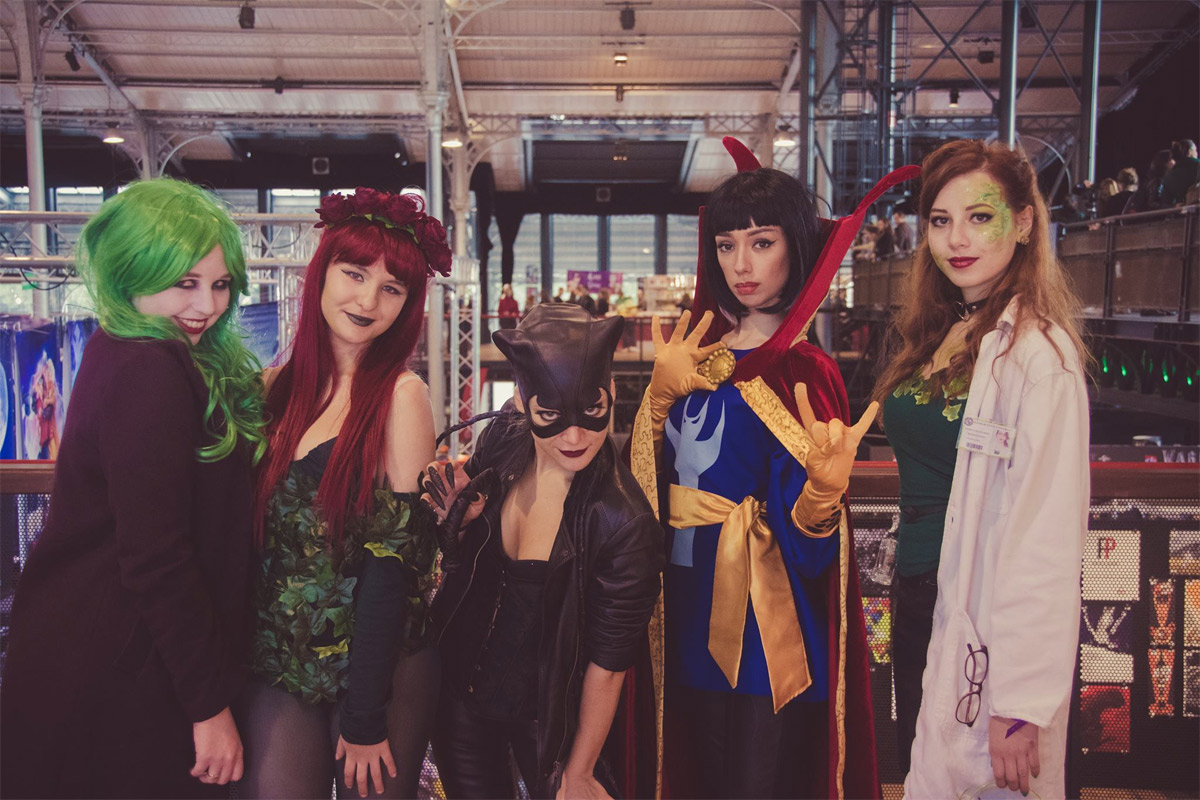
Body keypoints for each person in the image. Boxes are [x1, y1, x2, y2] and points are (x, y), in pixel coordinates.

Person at [628, 137, 906, 800]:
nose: (741, 264)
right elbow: (641, 491)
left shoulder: (805, 370)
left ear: (796, 247)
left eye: (761, 242)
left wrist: (822, 495)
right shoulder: (696, 352)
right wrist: (655, 403)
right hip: (681, 607)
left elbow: (812, 549)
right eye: (727, 245)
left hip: (763, 624)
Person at [0, 178, 268, 798]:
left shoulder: (125, 345)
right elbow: (157, 556)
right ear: (132, 273)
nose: (207, 305)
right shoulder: (150, 368)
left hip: (95, 651)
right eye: (185, 282)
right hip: (119, 670)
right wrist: (209, 705)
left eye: (221, 284)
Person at [872, 140, 1089, 798]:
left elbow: (1045, 537)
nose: (957, 239)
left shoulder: (1039, 356)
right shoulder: (939, 331)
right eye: (940, 220)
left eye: (979, 217)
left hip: (985, 617)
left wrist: (1020, 703)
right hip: (921, 597)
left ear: (1023, 222)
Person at [238, 188, 451, 799]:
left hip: (378, 668)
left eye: (392, 289)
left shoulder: (401, 397)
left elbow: (394, 568)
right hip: (281, 658)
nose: (367, 301)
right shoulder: (272, 389)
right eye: (354, 274)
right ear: (322, 274)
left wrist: (364, 716)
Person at [422, 303, 663, 799]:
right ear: (520, 399)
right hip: (460, 699)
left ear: (612, 391)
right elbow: (471, 571)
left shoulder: (623, 521)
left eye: (592, 412)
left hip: (550, 726)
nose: (574, 438)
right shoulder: (503, 440)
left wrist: (581, 769)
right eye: (550, 416)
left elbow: (609, 663)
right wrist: (461, 527)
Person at [1161, 138, 1199, 205]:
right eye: (1195, 150)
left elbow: (1165, 201)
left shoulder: (1168, 174)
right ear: (1189, 152)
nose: (1197, 153)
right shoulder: (1198, 165)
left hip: (1181, 210)